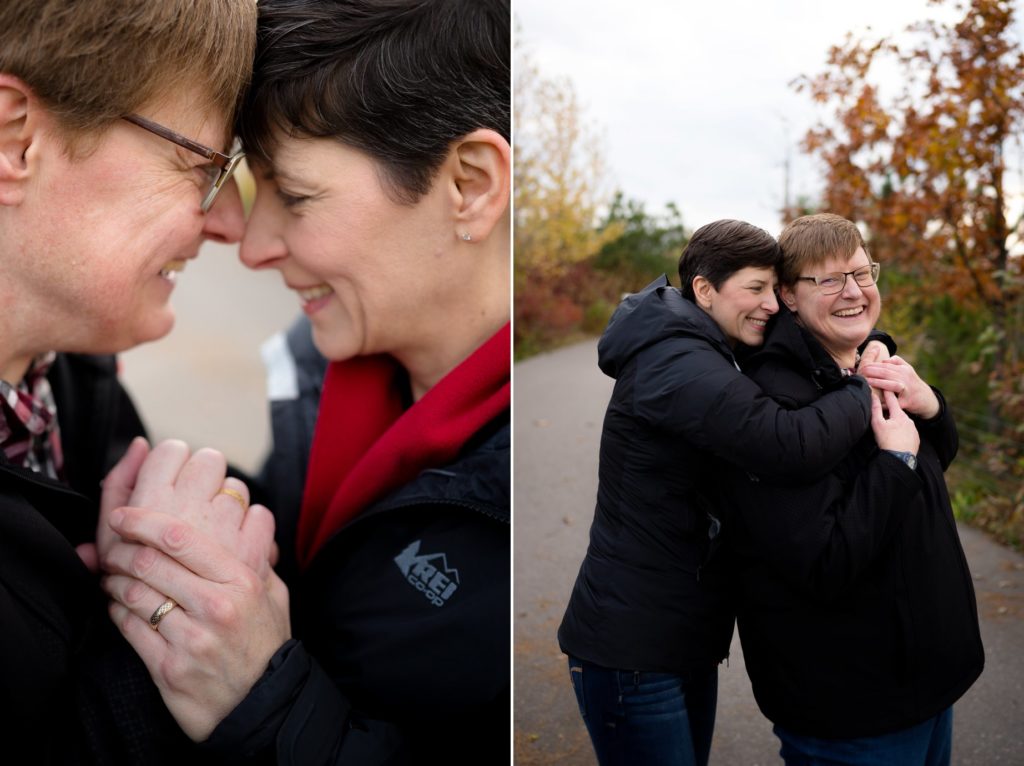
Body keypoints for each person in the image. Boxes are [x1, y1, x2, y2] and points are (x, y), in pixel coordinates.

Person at [97, 1, 511, 763]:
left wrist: (260, 697)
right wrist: (172, 539)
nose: (252, 246)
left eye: (296, 195)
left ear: (471, 185)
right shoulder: (322, 359)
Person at [0, 1, 267, 761]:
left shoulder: (68, 373)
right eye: (206, 167)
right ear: (15, 138)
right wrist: (198, 656)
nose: (231, 228)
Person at [557, 219, 886, 766]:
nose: (771, 305)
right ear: (705, 290)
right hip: (632, 646)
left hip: (675, 635)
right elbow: (787, 443)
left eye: (771, 290)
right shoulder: (676, 361)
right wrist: (862, 384)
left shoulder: (703, 348)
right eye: (754, 289)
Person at [717, 213, 984, 765]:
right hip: (853, 709)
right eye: (830, 279)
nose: (854, 292)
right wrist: (895, 460)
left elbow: (933, 467)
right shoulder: (772, 405)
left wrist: (929, 404)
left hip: (927, 686)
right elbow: (823, 560)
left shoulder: (865, 365)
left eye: (863, 274)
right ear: (787, 295)